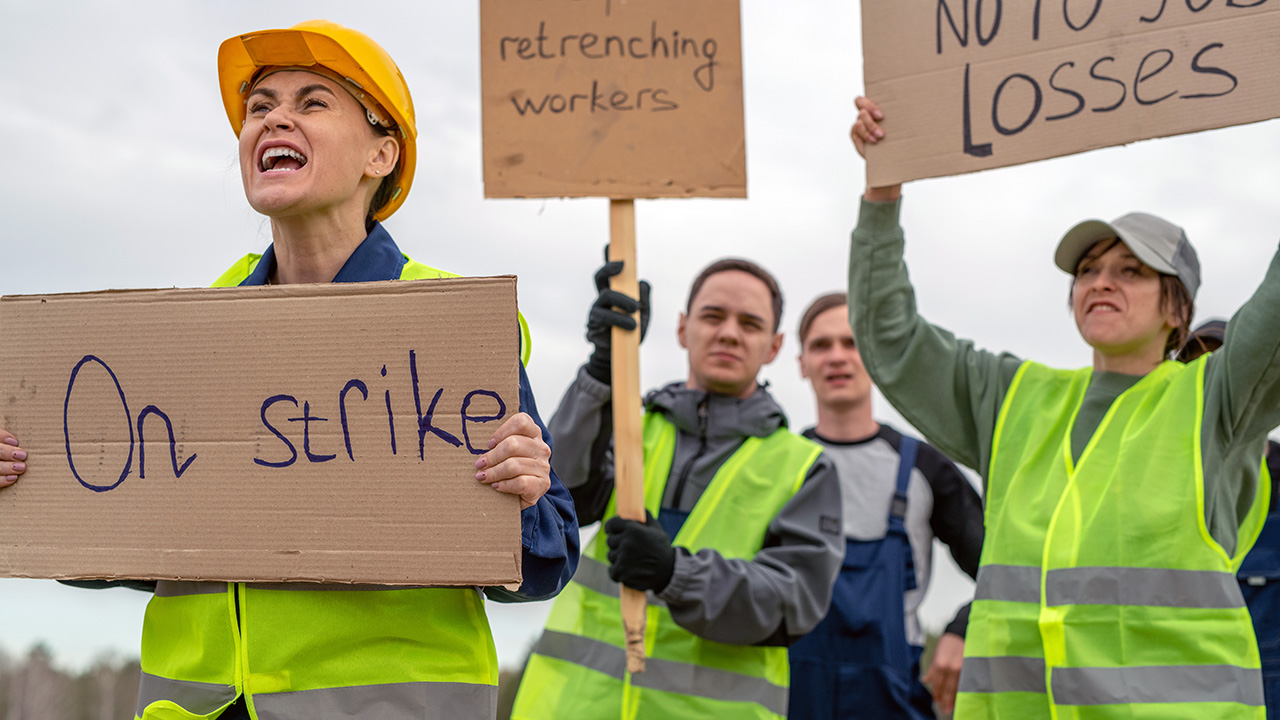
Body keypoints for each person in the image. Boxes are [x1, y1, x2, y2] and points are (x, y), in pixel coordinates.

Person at [0, 20, 579, 720]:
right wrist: (33, 483)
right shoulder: (185, 336)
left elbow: (549, 557)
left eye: (311, 102)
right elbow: (134, 547)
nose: (274, 118)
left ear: (381, 152)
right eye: (259, 107)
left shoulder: (449, 330)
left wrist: (517, 501)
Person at [847, 95, 1279, 719]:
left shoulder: (1215, 400)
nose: (1101, 281)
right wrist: (881, 195)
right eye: (1087, 270)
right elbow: (891, 338)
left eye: (1131, 271)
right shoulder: (1013, 397)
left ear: (1177, 311)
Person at [511, 258, 845, 719]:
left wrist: (675, 573)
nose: (729, 333)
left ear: (775, 346)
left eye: (750, 324)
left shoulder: (805, 467)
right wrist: (602, 373)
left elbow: (795, 600)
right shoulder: (629, 425)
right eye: (713, 316)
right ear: (683, 328)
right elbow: (550, 498)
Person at [789, 291, 984, 719]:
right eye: (821, 345)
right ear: (801, 363)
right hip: (788, 700)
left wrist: (963, 628)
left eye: (852, 342)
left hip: (895, 702)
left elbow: (1007, 567)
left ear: (875, 356)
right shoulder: (777, 466)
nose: (837, 357)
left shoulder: (925, 469)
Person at [1179, 319, 1280, 718]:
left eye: (1226, 367)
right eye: (1197, 369)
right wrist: (964, 624)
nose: (1216, 383)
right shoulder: (1147, 481)